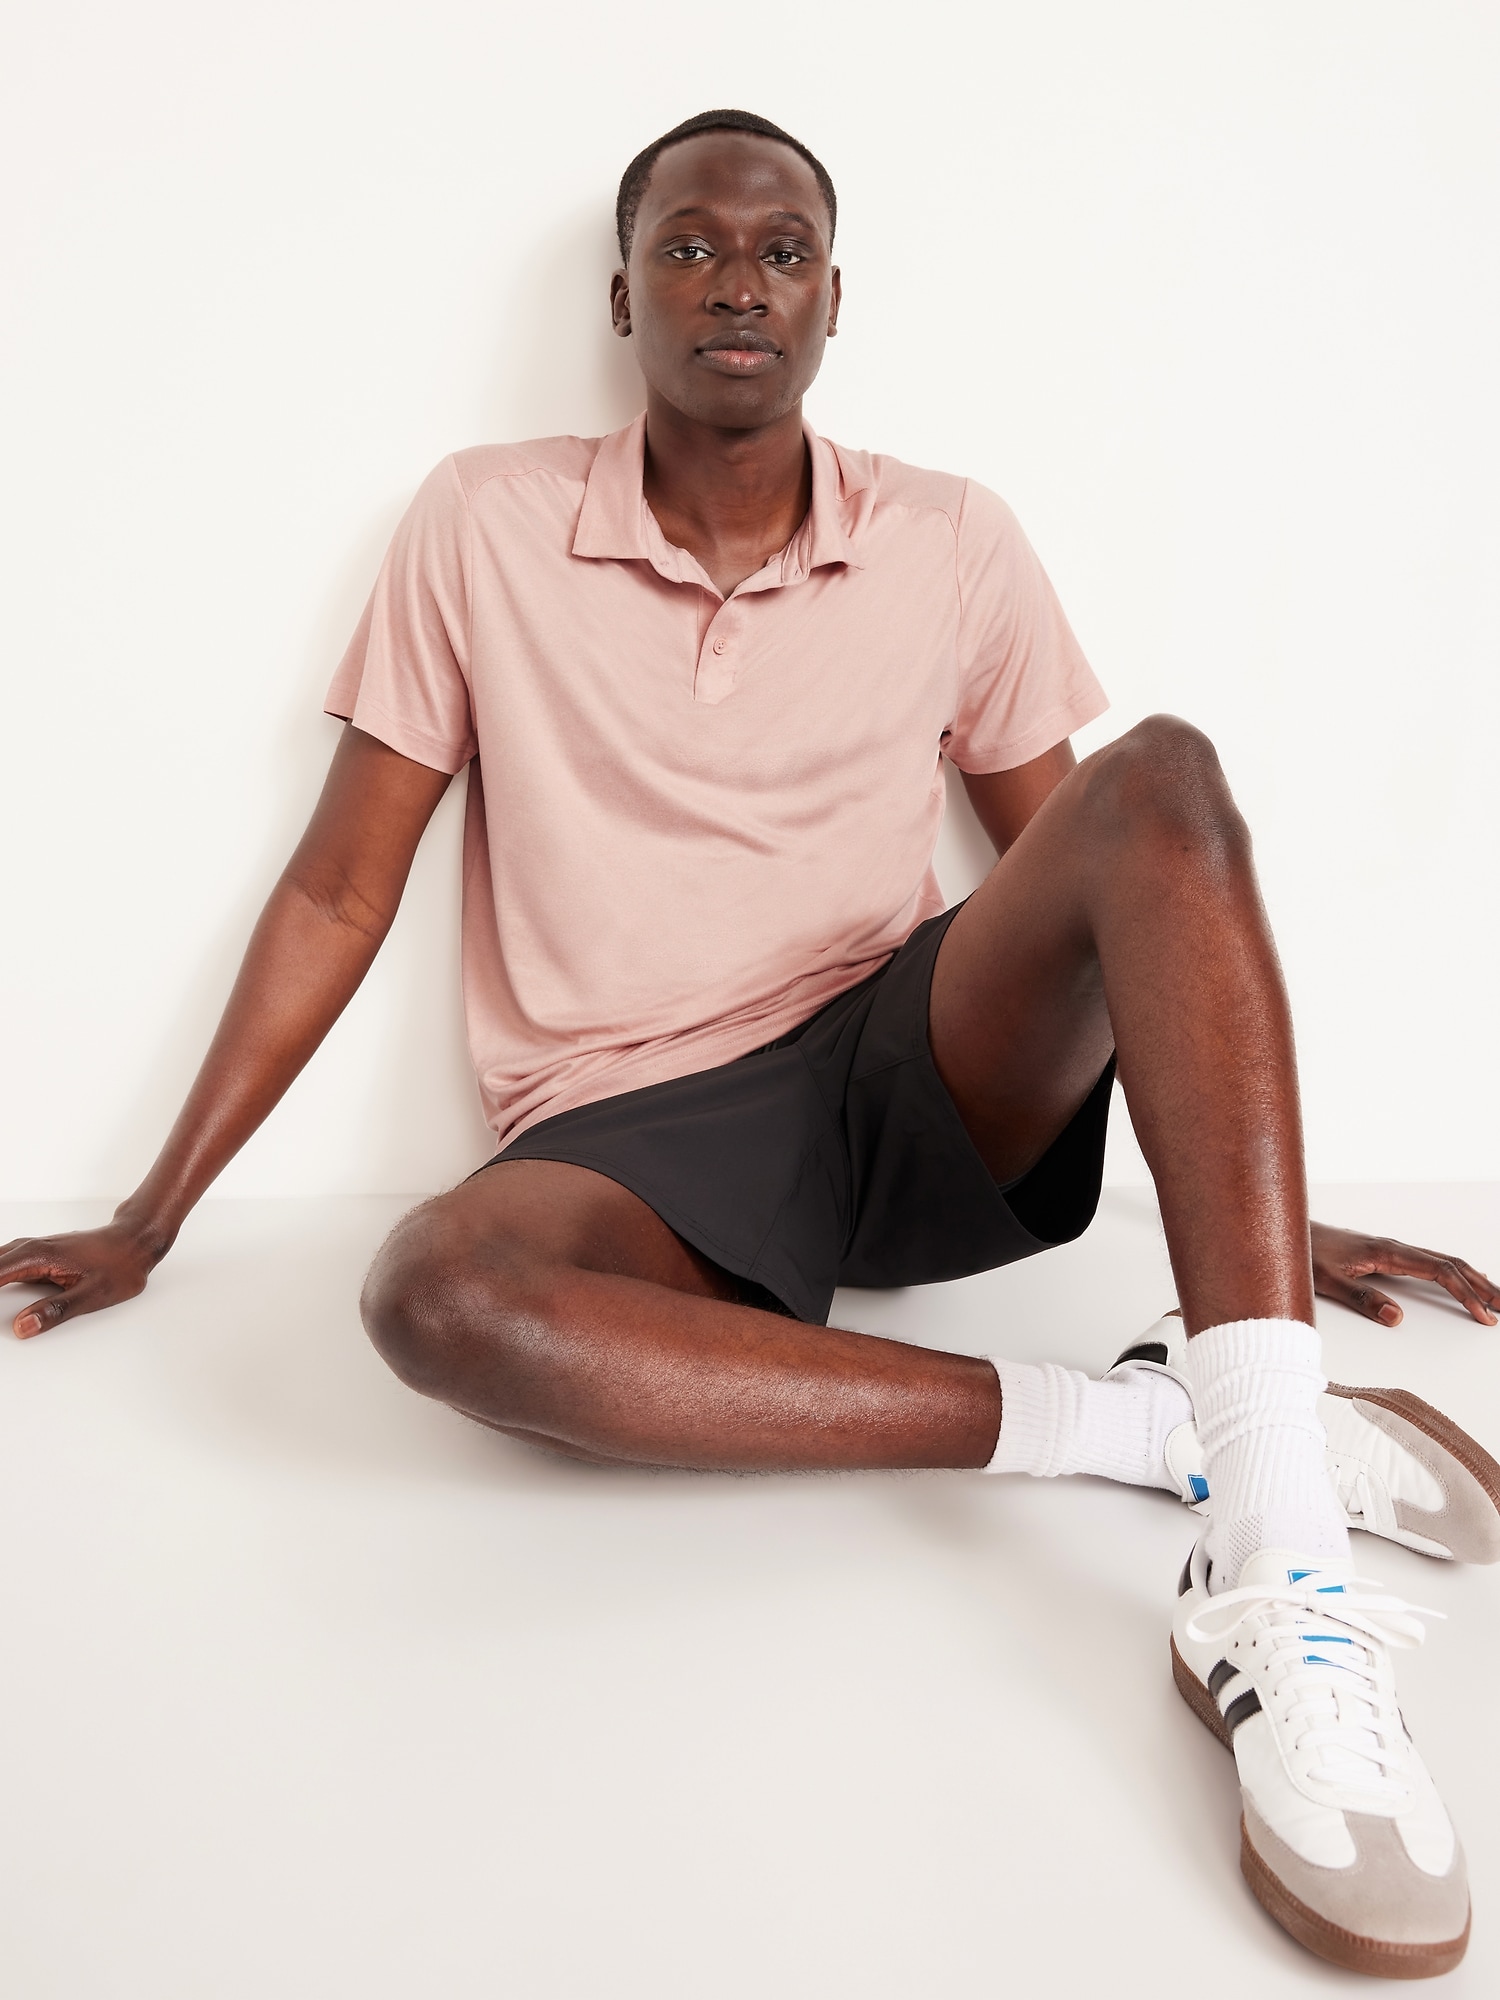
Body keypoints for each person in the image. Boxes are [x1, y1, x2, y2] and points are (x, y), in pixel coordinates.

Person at [3, 108, 1497, 1978]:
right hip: (628, 1135)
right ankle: (1148, 1424)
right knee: (437, 1298)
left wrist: (1260, 1223)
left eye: (782, 251)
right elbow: (334, 889)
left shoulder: (953, 538)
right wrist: (152, 1215)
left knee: (1165, 779)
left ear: (834, 302)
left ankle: (1277, 1565)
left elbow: (1108, 883)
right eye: (692, 247)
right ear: (623, 294)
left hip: (904, 1070)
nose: (738, 283)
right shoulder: (478, 521)